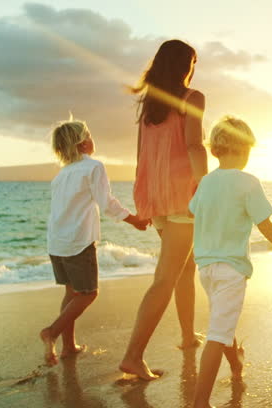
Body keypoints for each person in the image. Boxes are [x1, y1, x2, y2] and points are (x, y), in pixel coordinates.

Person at [188, 116, 272, 408]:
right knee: (217, 332)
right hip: (231, 269)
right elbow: (265, 224)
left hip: (206, 269)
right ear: (242, 148)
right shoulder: (248, 182)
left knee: (221, 322)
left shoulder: (205, 182)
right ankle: (200, 402)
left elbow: (192, 212)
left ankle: (236, 363)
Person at [119, 40, 208, 380]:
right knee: (166, 277)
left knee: (185, 268)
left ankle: (187, 336)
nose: (193, 69)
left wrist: (143, 199)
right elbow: (194, 145)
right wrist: (207, 186)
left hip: (156, 195)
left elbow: (141, 157)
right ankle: (133, 355)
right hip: (185, 194)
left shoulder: (149, 105)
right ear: (185, 65)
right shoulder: (191, 98)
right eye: (193, 62)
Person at [41, 119, 148, 366]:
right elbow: (106, 201)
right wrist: (134, 219)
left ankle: (69, 346)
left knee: (71, 292)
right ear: (83, 142)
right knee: (88, 293)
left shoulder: (62, 175)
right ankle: (52, 332)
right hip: (78, 241)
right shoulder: (93, 167)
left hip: (56, 243)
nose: (92, 138)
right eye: (89, 134)